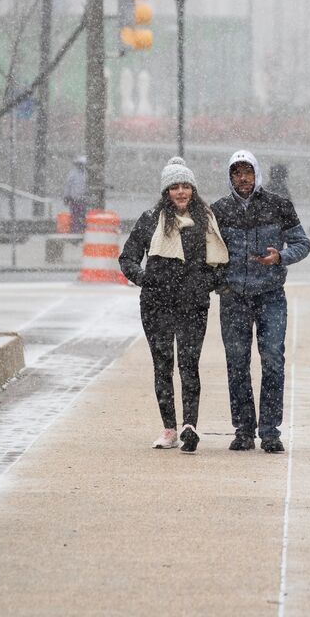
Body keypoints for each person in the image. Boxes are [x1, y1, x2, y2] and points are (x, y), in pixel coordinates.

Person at [119, 157, 228, 452]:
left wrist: (205, 283)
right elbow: (127, 258)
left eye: (186, 186)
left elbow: (220, 261)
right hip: (157, 305)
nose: (181, 192)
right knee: (163, 365)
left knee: (189, 364)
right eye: (175, 187)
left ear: (193, 189)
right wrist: (147, 280)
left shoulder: (205, 219)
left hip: (193, 304)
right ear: (166, 192)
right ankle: (169, 430)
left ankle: (189, 426)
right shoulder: (151, 219)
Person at [211, 150, 310, 453]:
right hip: (233, 298)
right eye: (236, 172)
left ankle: (270, 431)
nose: (243, 178)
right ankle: (243, 430)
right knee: (237, 363)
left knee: (272, 360)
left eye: (248, 172)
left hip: (270, 296)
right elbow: (208, 252)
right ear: (230, 177)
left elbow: (302, 243)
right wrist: (218, 282)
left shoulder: (279, 206)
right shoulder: (218, 211)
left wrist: (280, 257)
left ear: (257, 174)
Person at [63, 156, 88, 233]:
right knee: (75, 217)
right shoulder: (73, 174)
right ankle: (76, 232)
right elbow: (68, 186)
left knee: (82, 216)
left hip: (82, 199)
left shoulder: (85, 174)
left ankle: (80, 231)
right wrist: (66, 196)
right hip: (74, 199)